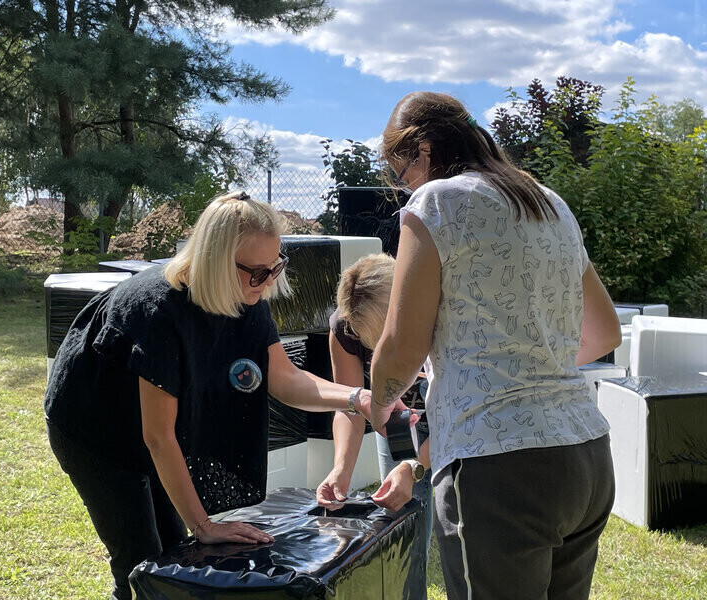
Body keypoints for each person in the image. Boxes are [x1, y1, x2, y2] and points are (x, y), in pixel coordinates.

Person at [44, 191, 408, 600]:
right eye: (257, 272)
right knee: (140, 560)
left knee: (173, 552)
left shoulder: (249, 296)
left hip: (148, 423)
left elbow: (285, 379)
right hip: (92, 427)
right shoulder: (157, 311)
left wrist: (358, 397)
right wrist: (205, 526)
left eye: (275, 268)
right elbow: (158, 438)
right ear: (216, 261)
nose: (269, 282)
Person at [369, 92, 622, 600]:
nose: (406, 187)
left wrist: (378, 403)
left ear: (421, 149)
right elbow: (603, 332)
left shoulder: (437, 201)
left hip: (497, 466)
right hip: (585, 456)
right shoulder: (549, 201)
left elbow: (401, 348)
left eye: (401, 173)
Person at [315, 252, 434, 600]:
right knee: (404, 535)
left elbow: (454, 418)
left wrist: (413, 467)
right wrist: (340, 470)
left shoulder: (440, 312)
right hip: (397, 428)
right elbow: (351, 407)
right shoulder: (345, 328)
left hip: (455, 423)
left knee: (458, 526)